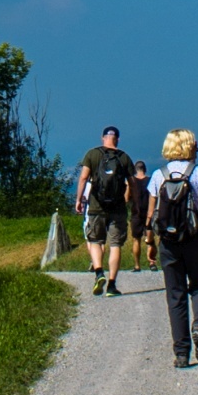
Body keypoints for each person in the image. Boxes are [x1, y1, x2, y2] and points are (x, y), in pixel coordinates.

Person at [148, 129, 198, 366]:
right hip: (196, 237)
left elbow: (152, 213)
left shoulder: (159, 175)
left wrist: (150, 241)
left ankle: (181, 352)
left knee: (175, 294)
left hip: (168, 242)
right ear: (189, 146)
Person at [75, 125, 132, 294]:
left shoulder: (92, 154)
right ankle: (112, 285)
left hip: (96, 205)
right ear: (118, 139)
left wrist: (79, 200)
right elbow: (132, 183)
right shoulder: (124, 158)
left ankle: (99, 271)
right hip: (118, 207)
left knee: (95, 240)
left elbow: (84, 177)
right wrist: (130, 201)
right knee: (115, 244)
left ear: (102, 137)